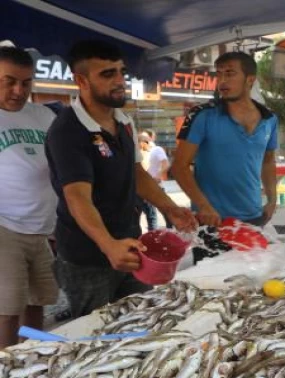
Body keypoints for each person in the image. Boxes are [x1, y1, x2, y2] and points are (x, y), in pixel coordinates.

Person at [45, 40, 197, 318]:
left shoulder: (124, 121)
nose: (119, 81)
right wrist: (107, 244)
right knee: (97, 335)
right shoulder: (67, 130)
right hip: (88, 258)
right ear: (82, 81)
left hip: (132, 247)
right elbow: (77, 196)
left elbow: (138, 174)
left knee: (142, 320)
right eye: (107, 74)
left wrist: (169, 208)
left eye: (120, 72)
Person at [173, 51, 279, 230]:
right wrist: (203, 206)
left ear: (250, 79)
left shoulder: (270, 119)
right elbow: (179, 167)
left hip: (254, 217)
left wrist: (272, 200)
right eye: (218, 74)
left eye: (229, 74)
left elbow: (268, 161)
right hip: (212, 220)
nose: (222, 81)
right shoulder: (202, 115)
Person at [0, 47, 59, 348]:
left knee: (39, 301)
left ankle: (31, 357)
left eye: (26, 82)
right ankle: (4, 374)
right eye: (9, 81)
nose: (18, 90)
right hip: (5, 226)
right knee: (7, 309)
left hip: (42, 228)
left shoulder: (43, 115)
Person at [138, 130, 170, 230]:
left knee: (165, 213)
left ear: (152, 138)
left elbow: (166, 164)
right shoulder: (138, 152)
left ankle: (169, 233)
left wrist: (158, 175)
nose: (143, 141)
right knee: (147, 214)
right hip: (141, 188)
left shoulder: (156, 150)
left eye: (145, 138)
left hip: (155, 186)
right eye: (140, 139)